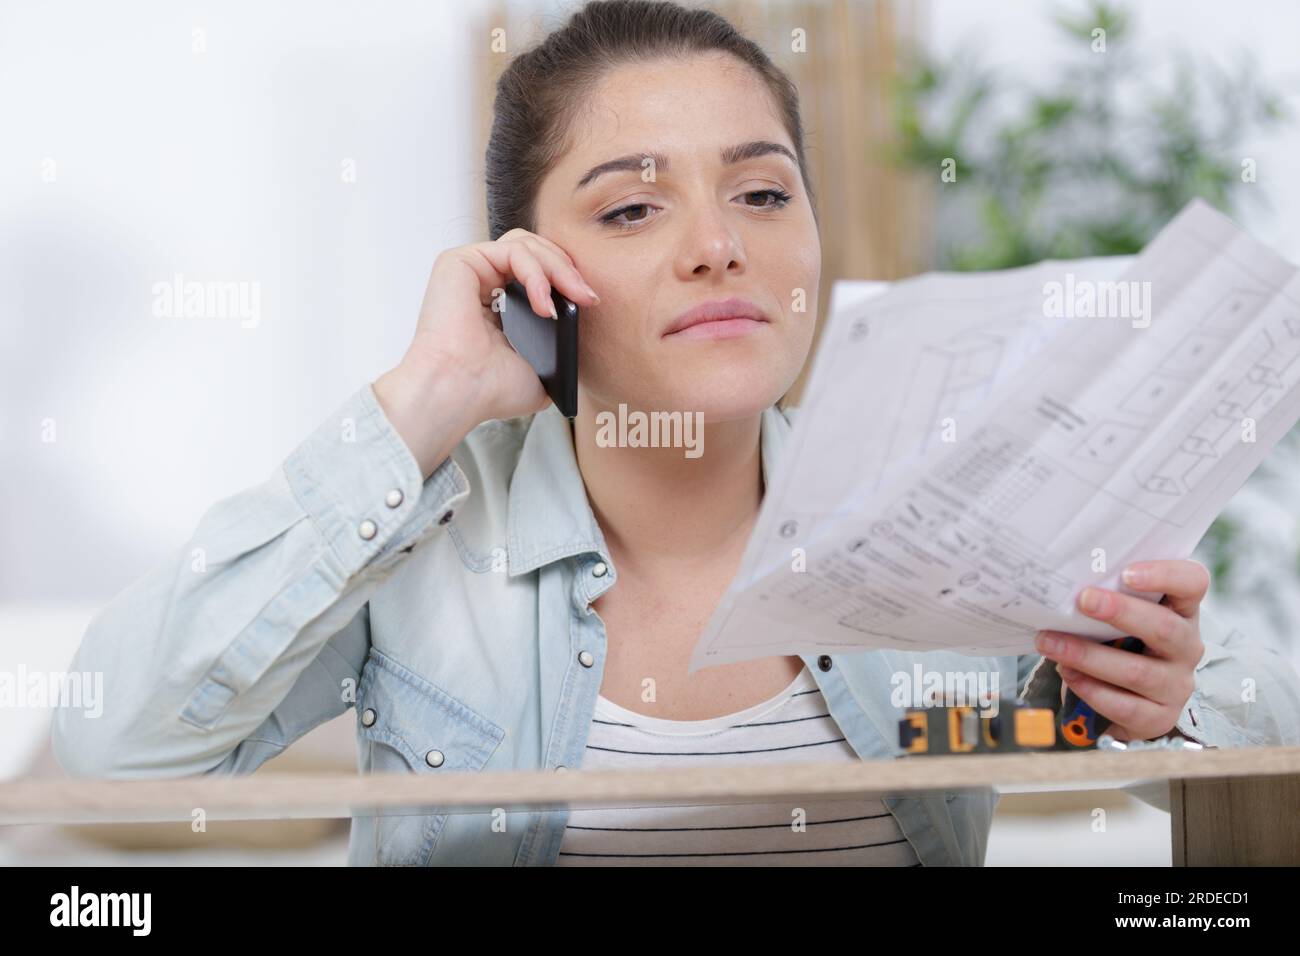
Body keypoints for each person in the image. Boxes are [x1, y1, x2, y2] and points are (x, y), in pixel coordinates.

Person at [52, 0, 1300, 866]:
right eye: (633, 207)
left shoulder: (948, 507)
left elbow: (1217, 741)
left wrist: (1141, 707)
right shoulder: (432, 541)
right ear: (526, 269)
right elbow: (118, 751)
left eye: (761, 192)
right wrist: (424, 400)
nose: (718, 243)